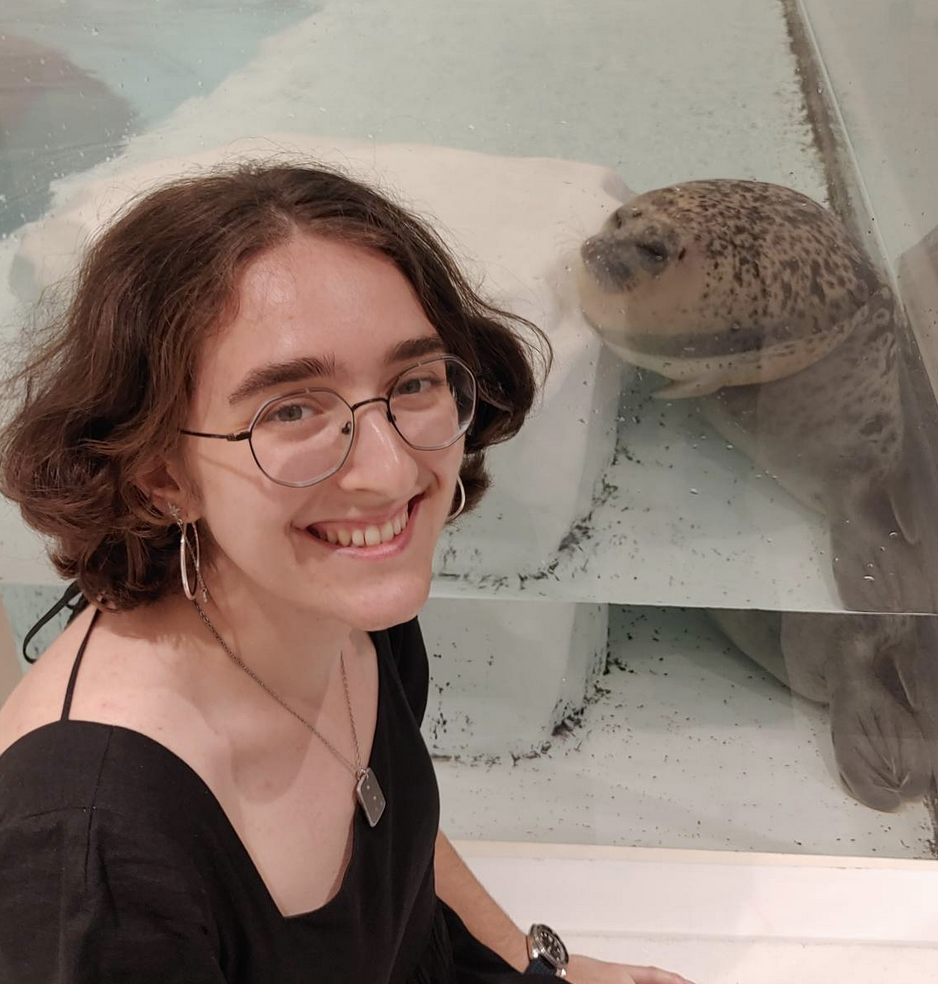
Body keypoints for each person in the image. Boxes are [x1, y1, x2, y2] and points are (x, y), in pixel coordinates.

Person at [0, 162, 692, 984]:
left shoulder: (347, 611)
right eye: (291, 409)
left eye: (414, 382)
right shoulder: (96, 851)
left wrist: (543, 967)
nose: (392, 469)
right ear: (160, 475)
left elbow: (394, 838)